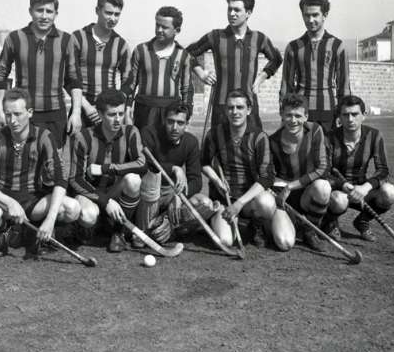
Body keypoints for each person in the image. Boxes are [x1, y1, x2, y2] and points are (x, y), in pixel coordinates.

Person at [0, 88, 82, 257]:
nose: (12, 120)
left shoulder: (44, 136)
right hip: (2, 201)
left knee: (72, 208)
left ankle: (38, 229)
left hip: (34, 201)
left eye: (17, 114)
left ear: (30, 112)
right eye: (8, 115)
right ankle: (6, 228)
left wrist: (50, 219)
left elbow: (60, 178)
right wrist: (10, 202)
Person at [0, 0, 82, 149]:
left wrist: (76, 113)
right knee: (24, 160)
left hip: (55, 114)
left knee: (54, 161)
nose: (44, 16)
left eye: (49, 11)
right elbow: (0, 74)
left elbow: (74, 79)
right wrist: (0, 110)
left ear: (56, 14)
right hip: (23, 113)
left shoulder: (66, 40)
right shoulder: (15, 38)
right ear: (30, 11)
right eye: (39, 10)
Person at [187, 0, 282, 130]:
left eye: (237, 10)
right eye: (229, 9)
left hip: (249, 104)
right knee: (220, 142)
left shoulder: (259, 38)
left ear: (248, 13)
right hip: (222, 106)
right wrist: (202, 74)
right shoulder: (216, 36)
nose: (232, 14)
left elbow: (276, 58)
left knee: (252, 141)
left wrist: (261, 78)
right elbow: (187, 54)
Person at [69, 89, 146, 252]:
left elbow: (141, 164)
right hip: (91, 194)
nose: (118, 119)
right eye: (112, 115)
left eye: (121, 113)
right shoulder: (84, 137)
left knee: (133, 180)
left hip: (114, 191)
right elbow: (75, 179)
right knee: (88, 215)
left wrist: (106, 169)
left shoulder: (131, 132)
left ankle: (118, 232)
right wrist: (105, 201)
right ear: (100, 114)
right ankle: (86, 227)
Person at [203, 89, 278, 248]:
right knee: (225, 241)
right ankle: (216, 218)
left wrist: (239, 204)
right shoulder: (215, 134)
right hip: (224, 198)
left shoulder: (259, 137)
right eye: (230, 108)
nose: (235, 112)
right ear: (226, 110)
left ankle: (255, 226)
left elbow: (266, 177)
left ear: (248, 110)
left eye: (240, 107)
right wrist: (216, 181)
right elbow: (203, 163)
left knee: (267, 203)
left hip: (248, 199)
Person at [137, 101, 215, 243]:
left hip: (172, 193)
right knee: (142, 239)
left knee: (205, 204)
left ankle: (168, 224)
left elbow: (196, 181)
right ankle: (149, 229)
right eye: (170, 122)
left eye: (180, 123)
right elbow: (145, 166)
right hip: (149, 192)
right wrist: (174, 168)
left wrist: (179, 196)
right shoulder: (149, 133)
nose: (174, 127)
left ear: (187, 124)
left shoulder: (191, 142)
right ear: (164, 120)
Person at [324, 95, 394, 242]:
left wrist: (365, 187)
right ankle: (331, 222)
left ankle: (362, 221)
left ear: (364, 115)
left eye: (355, 114)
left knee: (390, 192)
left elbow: (383, 170)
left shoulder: (374, 135)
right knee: (338, 200)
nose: (350, 119)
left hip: (362, 189)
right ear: (339, 117)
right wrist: (343, 185)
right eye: (345, 115)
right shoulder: (329, 137)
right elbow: (324, 172)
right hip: (338, 190)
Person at [269, 93, 331, 251]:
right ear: (281, 114)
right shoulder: (273, 140)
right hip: (283, 196)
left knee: (323, 187)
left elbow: (323, 168)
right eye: (288, 115)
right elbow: (268, 175)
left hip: (306, 192)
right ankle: (274, 223)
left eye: (298, 115)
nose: (293, 120)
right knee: (284, 243)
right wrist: (278, 189)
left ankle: (309, 231)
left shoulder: (315, 130)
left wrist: (291, 186)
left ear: (306, 116)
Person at [280, 0, 350, 131]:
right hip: (300, 112)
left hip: (329, 111)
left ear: (325, 15)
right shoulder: (293, 47)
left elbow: (344, 84)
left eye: (315, 15)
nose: (310, 20)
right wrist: (284, 114)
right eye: (307, 15)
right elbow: (286, 85)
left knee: (328, 145)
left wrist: (344, 113)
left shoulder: (337, 46)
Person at [123, 6, 193, 130]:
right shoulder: (141, 50)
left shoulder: (183, 55)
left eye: (164, 27)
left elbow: (187, 89)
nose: (159, 30)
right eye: (157, 25)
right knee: (143, 141)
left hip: (171, 111)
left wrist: (187, 115)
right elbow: (131, 84)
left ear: (177, 30)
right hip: (144, 110)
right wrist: (127, 110)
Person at [71, 0, 132, 127]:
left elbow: (128, 81)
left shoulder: (121, 44)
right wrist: (86, 106)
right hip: (82, 108)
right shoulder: (78, 38)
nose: (113, 18)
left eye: (117, 14)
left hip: (108, 113)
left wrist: (115, 106)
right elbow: (70, 77)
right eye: (108, 13)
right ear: (97, 10)